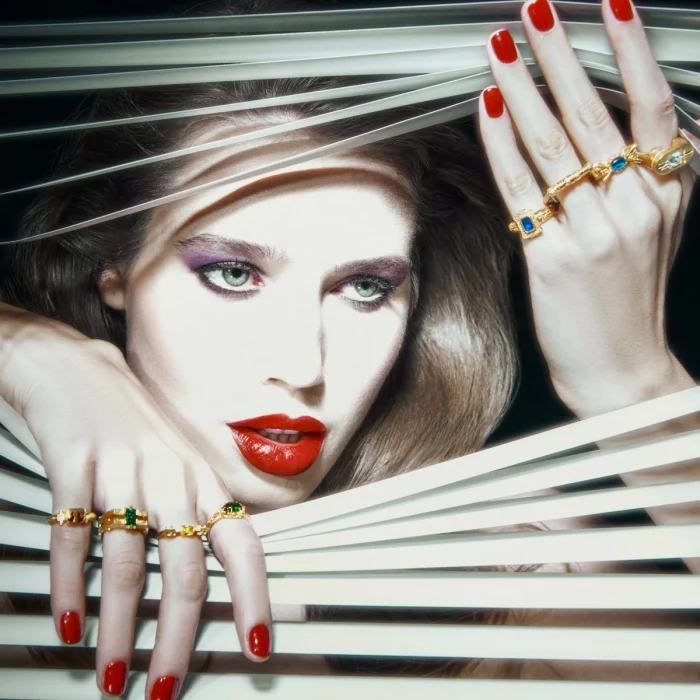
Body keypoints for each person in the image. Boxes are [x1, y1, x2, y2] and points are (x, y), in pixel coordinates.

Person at [0, 0, 698, 696]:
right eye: (233, 274)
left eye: (365, 287)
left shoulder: (510, 552)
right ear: (113, 269)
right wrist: (32, 352)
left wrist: (630, 383)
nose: (303, 368)